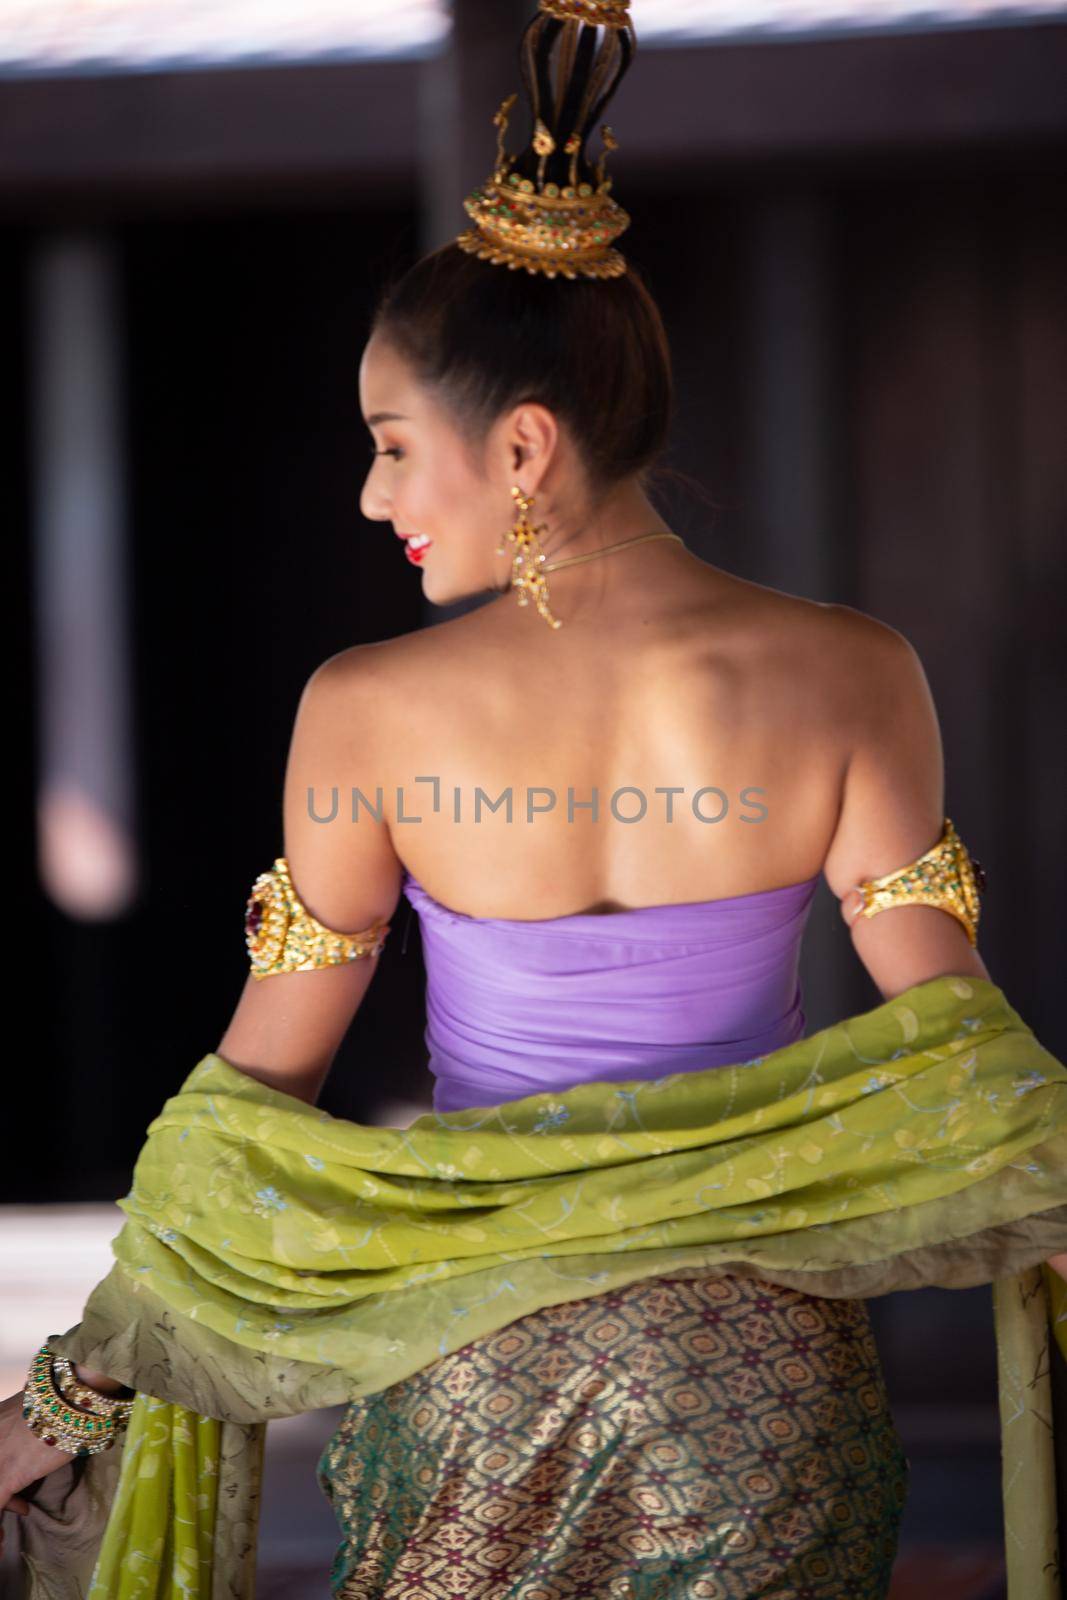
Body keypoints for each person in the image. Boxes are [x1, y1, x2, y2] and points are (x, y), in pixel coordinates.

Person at [3, 2, 1065, 1596]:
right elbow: (962, 1061)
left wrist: (70, 1387)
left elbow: (253, 1105)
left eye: (389, 446)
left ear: (519, 446)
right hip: (759, 1384)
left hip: (486, 1370)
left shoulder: (367, 712)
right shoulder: (855, 673)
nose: (371, 496)